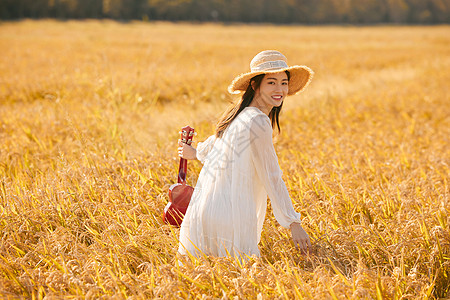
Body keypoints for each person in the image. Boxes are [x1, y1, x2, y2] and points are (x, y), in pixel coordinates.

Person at [177, 50, 313, 260]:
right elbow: (272, 176)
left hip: (205, 212)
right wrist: (293, 223)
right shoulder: (258, 121)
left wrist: (195, 153)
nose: (280, 89)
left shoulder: (239, 115)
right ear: (254, 85)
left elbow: (219, 146)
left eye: (284, 83)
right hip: (231, 216)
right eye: (271, 82)